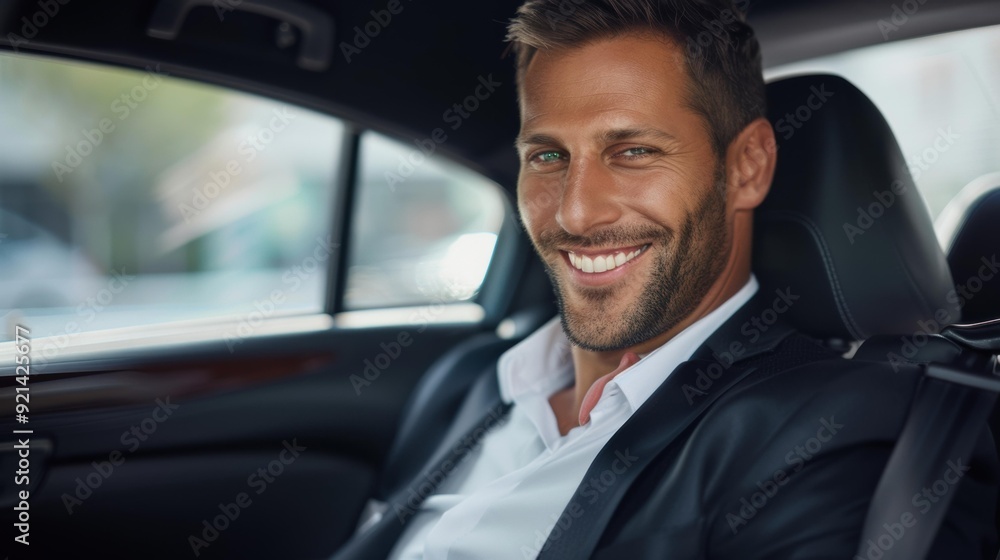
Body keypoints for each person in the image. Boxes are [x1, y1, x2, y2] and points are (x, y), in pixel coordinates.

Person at [334, 1, 998, 558]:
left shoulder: (840, 433)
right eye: (547, 156)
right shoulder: (472, 381)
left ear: (747, 167)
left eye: (633, 152)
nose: (574, 211)